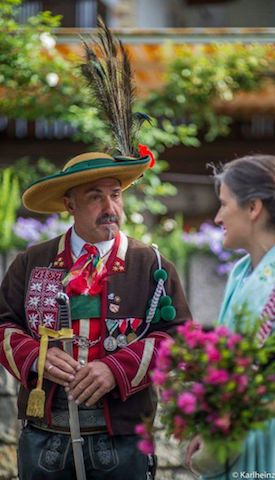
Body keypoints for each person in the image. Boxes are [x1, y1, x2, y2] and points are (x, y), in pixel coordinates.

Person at [0, 22, 191, 480]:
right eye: (95, 197)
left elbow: (179, 338)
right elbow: (2, 324)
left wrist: (115, 370)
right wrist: (37, 358)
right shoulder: (32, 261)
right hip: (43, 437)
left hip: (122, 440)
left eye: (116, 195)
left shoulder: (153, 264)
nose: (111, 207)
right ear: (69, 203)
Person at [186, 155, 275, 477]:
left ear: (253, 208)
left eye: (224, 204)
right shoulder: (243, 273)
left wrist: (249, 408)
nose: (218, 217)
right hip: (240, 447)